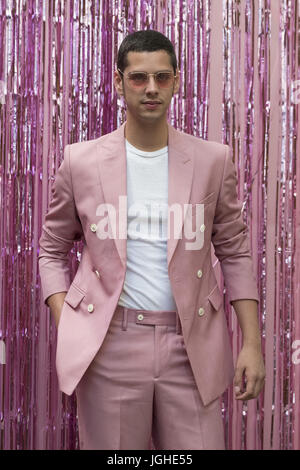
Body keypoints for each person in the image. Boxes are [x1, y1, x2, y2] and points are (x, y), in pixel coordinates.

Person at [38, 29, 265, 450]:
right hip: (111, 344)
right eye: (139, 78)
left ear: (177, 81)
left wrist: (252, 344)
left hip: (191, 344)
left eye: (162, 77)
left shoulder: (213, 160)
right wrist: (69, 321)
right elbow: (51, 250)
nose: (151, 89)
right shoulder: (81, 162)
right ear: (119, 81)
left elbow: (236, 250)